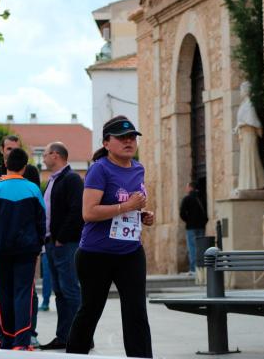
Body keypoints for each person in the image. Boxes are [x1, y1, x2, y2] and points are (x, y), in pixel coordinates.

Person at [66, 116, 154, 357]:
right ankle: (75, 354)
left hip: (130, 252)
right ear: (106, 143)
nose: (129, 141)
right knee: (91, 310)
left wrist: (142, 214)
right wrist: (126, 207)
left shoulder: (138, 168)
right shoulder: (99, 169)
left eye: (132, 137)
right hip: (96, 254)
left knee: (136, 311)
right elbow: (89, 212)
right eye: (122, 137)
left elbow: (130, 204)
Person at [0, 135, 41, 349]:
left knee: (2, 294)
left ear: (7, 163)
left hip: (0, 251)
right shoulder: (33, 189)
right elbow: (41, 220)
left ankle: (5, 340)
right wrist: (37, 245)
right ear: (24, 167)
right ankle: (22, 341)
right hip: (27, 251)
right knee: (23, 292)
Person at [39, 142, 84, 350]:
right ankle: (64, 336)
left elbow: (77, 211)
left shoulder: (72, 179)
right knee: (60, 291)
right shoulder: (53, 181)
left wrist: (61, 238)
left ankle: (81, 336)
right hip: (52, 244)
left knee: (70, 290)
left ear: (55, 155)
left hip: (65, 244)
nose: (44, 159)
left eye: (45, 155)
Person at [234, 80, 264, 190]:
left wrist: (241, 124)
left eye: (241, 90)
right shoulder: (243, 105)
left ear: (246, 91)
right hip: (244, 135)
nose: (240, 92)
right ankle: (246, 184)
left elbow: (253, 121)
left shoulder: (249, 105)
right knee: (245, 160)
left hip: (249, 135)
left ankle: (253, 184)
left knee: (251, 158)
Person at [179, 181, 208, 274]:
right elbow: (206, 213)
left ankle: (193, 269)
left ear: (191, 188)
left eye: (187, 187)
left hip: (191, 227)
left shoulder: (187, 199)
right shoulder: (202, 198)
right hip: (201, 227)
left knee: (192, 247)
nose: (186, 189)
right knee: (201, 247)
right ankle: (201, 269)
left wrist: (188, 221)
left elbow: (182, 213)